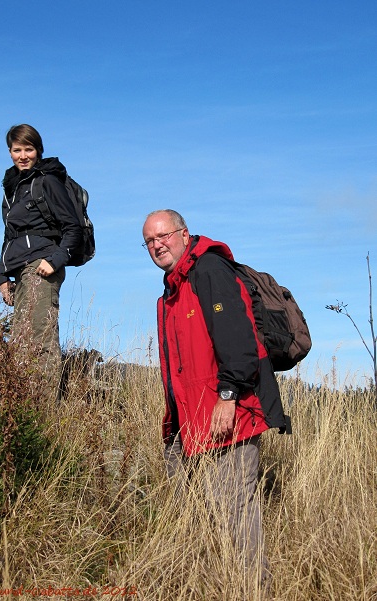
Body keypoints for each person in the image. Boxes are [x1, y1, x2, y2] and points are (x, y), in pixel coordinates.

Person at [142, 209, 288, 586]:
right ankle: (209, 582)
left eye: (164, 235)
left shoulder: (209, 270)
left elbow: (239, 342)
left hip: (228, 414)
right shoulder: (172, 289)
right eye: (149, 241)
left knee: (236, 510)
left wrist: (227, 395)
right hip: (189, 422)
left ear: (184, 233)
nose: (157, 245)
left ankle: (255, 589)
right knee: (192, 510)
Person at [0, 124, 82, 396]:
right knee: (20, 342)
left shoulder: (47, 181)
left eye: (28, 149)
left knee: (40, 339)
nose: (23, 155)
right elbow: (10, 235)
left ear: (38, 151)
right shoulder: (13, 188)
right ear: (9, 152)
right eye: (17, 149)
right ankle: (24, 408)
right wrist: (2, 276)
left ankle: (43, 413)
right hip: (20, 269)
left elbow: (73, 227)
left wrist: (55, 260)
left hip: (42, 267)